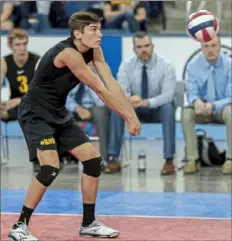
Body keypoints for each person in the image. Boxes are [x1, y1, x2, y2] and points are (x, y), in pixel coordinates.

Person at [8, 11, 141, 241]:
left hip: (58, 112)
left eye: (99, 28)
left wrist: (132, 114)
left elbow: (111, 83)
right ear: (78, 33)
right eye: (93, 30)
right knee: (50, 168)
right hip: (36, 114)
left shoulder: (94, 49)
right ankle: (19, 226)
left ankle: (89, 223)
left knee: (92, 161)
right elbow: (99, 90)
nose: (99, 34)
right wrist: (127, 118)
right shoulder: (68, 54)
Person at [105, 31, 177, 175]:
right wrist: (129, 99)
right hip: (133, 109)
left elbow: (168, 95)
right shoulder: (126, 66)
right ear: (134, 49)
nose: (144, 50)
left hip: (157, 108)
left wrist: (147, 102)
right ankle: (114, 158)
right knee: (117, 110)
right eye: (139, 47)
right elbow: (121, 92)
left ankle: (169, 161)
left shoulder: (166, 65)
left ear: (152, 46)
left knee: (168, 108)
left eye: (146, 46)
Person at [182, 37, 232, 174]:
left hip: (221, 109)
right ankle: (192, 159)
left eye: (213, 46)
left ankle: (230, 159)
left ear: (220, 46)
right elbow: (191, 93)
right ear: (201, 48)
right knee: (186, 114)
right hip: (201, 108)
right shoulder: (193, 65)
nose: (210, 50)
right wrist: (196, 102)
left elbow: (230, 97)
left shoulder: (229, 65)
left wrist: (213, 106)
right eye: (206, 46)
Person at [65, 63, 111, 164]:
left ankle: (103, 159)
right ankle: (63, 156)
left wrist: (91, 79)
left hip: (93, 108)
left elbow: (102, 101)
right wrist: (77, 108)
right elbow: (63, 95)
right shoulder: (69, 71)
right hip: (71, 107)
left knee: (102, 112)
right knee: (59, 112)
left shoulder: (102, 72)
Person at [0, 28, 40, 122]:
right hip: (13, 104)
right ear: (10, 46)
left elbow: (42, 93)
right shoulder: (4, 62)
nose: (22, 48)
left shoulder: (37, 61)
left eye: (24, 44)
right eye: (17, 45)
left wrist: (19, 100)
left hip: (34, 103)